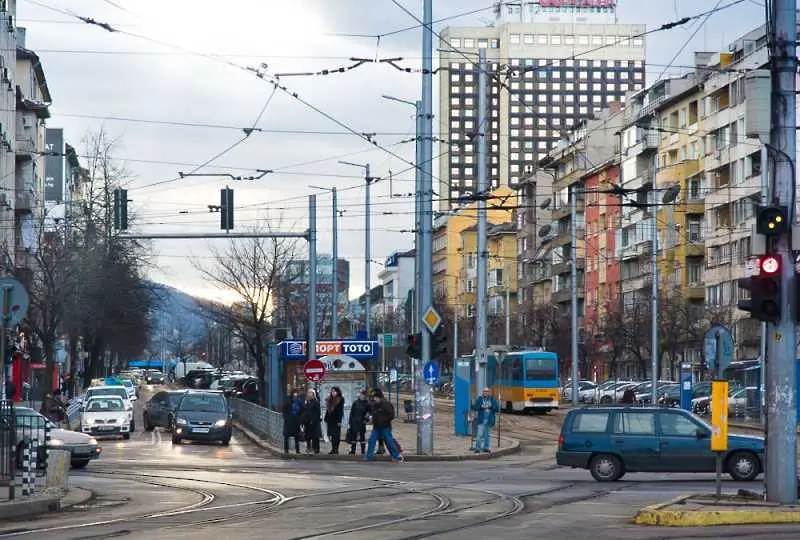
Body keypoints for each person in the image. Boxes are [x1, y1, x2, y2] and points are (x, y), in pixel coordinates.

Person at [365, 388, 401, 462]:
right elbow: (373, 413)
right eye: (373, 397)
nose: (374, 399)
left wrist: (383, 420)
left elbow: (391, 415)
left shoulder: (386, 404)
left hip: (385, 426)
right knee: (371, 441)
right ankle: (369, 456)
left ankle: (396, 455)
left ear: (379, 397)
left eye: (375, 397)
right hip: (376, 427)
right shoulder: (374, 405)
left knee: (389, 441)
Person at [471, 387, 499, 453]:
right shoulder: (479, 399)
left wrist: (491, 406)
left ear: (489, 392)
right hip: (481, 420)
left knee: (488, 435)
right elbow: (475, 407)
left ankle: (486, 447)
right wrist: (481, 407)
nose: (485, 392)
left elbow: (496, 408)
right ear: (482, 392)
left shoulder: (492, 399)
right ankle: (478, 448)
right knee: (479, 435)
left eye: (487, 391)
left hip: (489, 420)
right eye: (484, 391)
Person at [282, 388, 304, 454]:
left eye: (296, 393)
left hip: (296, 422)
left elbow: (302, 410)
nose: (295, 394)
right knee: (286, 436)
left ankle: (297, 450)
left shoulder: (299, 401)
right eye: (294, 393)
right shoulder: (287, 400)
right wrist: (286, 418)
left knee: (296, 437)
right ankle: (286, 450)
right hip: (288, 421)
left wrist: (300, 419)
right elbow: (284, 410)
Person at [348, 390, 370, 455]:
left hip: (362, 422)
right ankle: (353, 450)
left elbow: (368, 413)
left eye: (363, 395)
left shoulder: (367, 404)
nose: (361, 396)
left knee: (362, 437)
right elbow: (352, 413)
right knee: (353, 437)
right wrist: (350, 422)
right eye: (361, 395)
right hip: (354, 422)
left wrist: (366, 420)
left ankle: (363, 451)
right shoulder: (355, 403)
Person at [324, 387, 345, 454]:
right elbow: (328, 410)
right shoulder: (329, 399)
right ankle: (333, 449)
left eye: (334, 391)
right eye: (332, 391)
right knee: (332, 435)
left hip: (336, 419)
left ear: (337, 392)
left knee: (336, 435)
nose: (333, 392)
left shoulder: (340, 399)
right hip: (330, 419)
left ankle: (336, 449)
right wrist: (326, 418)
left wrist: (339, 421)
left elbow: (340, 411)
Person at [302, 389, 321, 454]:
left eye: (311, 393)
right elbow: (305, 411)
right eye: (308, 393)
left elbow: (317, 413)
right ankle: (308, 448)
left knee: (315, 436)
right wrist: (304, 420)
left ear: (313, 394)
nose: (309, 394)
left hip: (314, 422)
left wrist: (313, 420)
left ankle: (315, 449)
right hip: (307, 422)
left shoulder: (316, 402)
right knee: (308, 436)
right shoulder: (306, 402)